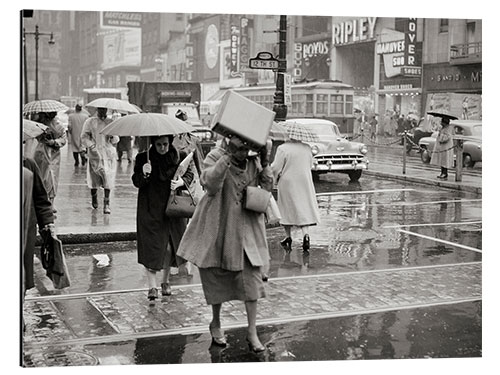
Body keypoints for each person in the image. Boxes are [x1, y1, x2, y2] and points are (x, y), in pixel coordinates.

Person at [177, 136, 273, 352]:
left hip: (247, 229)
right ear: (229, 143)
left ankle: (252, 332)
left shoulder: (253, 160)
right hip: (220, 226)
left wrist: (265, 162)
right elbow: (209, 184)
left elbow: (267, 187)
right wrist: (227, 159)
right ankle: (216, 322)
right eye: (238, 149)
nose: (243, 153)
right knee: (217, 278)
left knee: (252, 282)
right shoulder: (215, 156)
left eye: (245, 149)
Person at [132, 134, 194, 301]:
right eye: (158, 145)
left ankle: (165, 281)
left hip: (171, 208)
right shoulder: (143, 158)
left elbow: (189, 174)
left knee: (169, 248)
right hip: (150, 208)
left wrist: (181, 182)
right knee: (152, 247)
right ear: (153, 143)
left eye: (165, 144)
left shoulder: (178, 156)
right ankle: (152, 286)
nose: (162, 148)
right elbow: (136, 181)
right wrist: (144, 174)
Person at [271, 135, 321, 253]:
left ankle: (288, 237)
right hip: (304, 181)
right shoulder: (307, 148)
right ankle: (306, 235)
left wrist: (273, 179)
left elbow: (276, 168)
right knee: (303, 208)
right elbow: (310, 165)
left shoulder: (283, 148)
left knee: (286, 208)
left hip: (288, 182)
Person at [22, 157, 56, 328]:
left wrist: (47, 225)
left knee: (20, 276)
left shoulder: (27, 165)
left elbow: (41, 199)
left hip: (23, 233)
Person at [81, 107, 119, 214]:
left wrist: (112, 137)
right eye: (101, 110)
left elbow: (116, 139)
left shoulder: (111, 122)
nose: (103, 112)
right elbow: (84, 137)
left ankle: (106, 204)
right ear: (97, 110)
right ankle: (94, 196)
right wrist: (91, 145)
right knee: (94, 179)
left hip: (108, 154)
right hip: (95, 154)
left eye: (105, 110)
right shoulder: (90, 122)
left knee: (108, 178)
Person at [32, 111, 67, 210]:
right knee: (41, 178)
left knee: (52, 178)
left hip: (54, 156)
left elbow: (63, 140)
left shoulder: (58, 126)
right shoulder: (38, 125)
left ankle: (51, 202)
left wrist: (54, 142)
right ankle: (42, 201)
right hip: (40, 154)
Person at [430, 115, 455, 180]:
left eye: (442, 121)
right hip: (442, 147)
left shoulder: (448, 129)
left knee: (445, 160)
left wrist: (441, 136)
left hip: (446, 146)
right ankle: (442, 172)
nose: (441, 123)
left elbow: (446, 137)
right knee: (442, 160)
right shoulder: (443, 128)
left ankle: (445, 173)